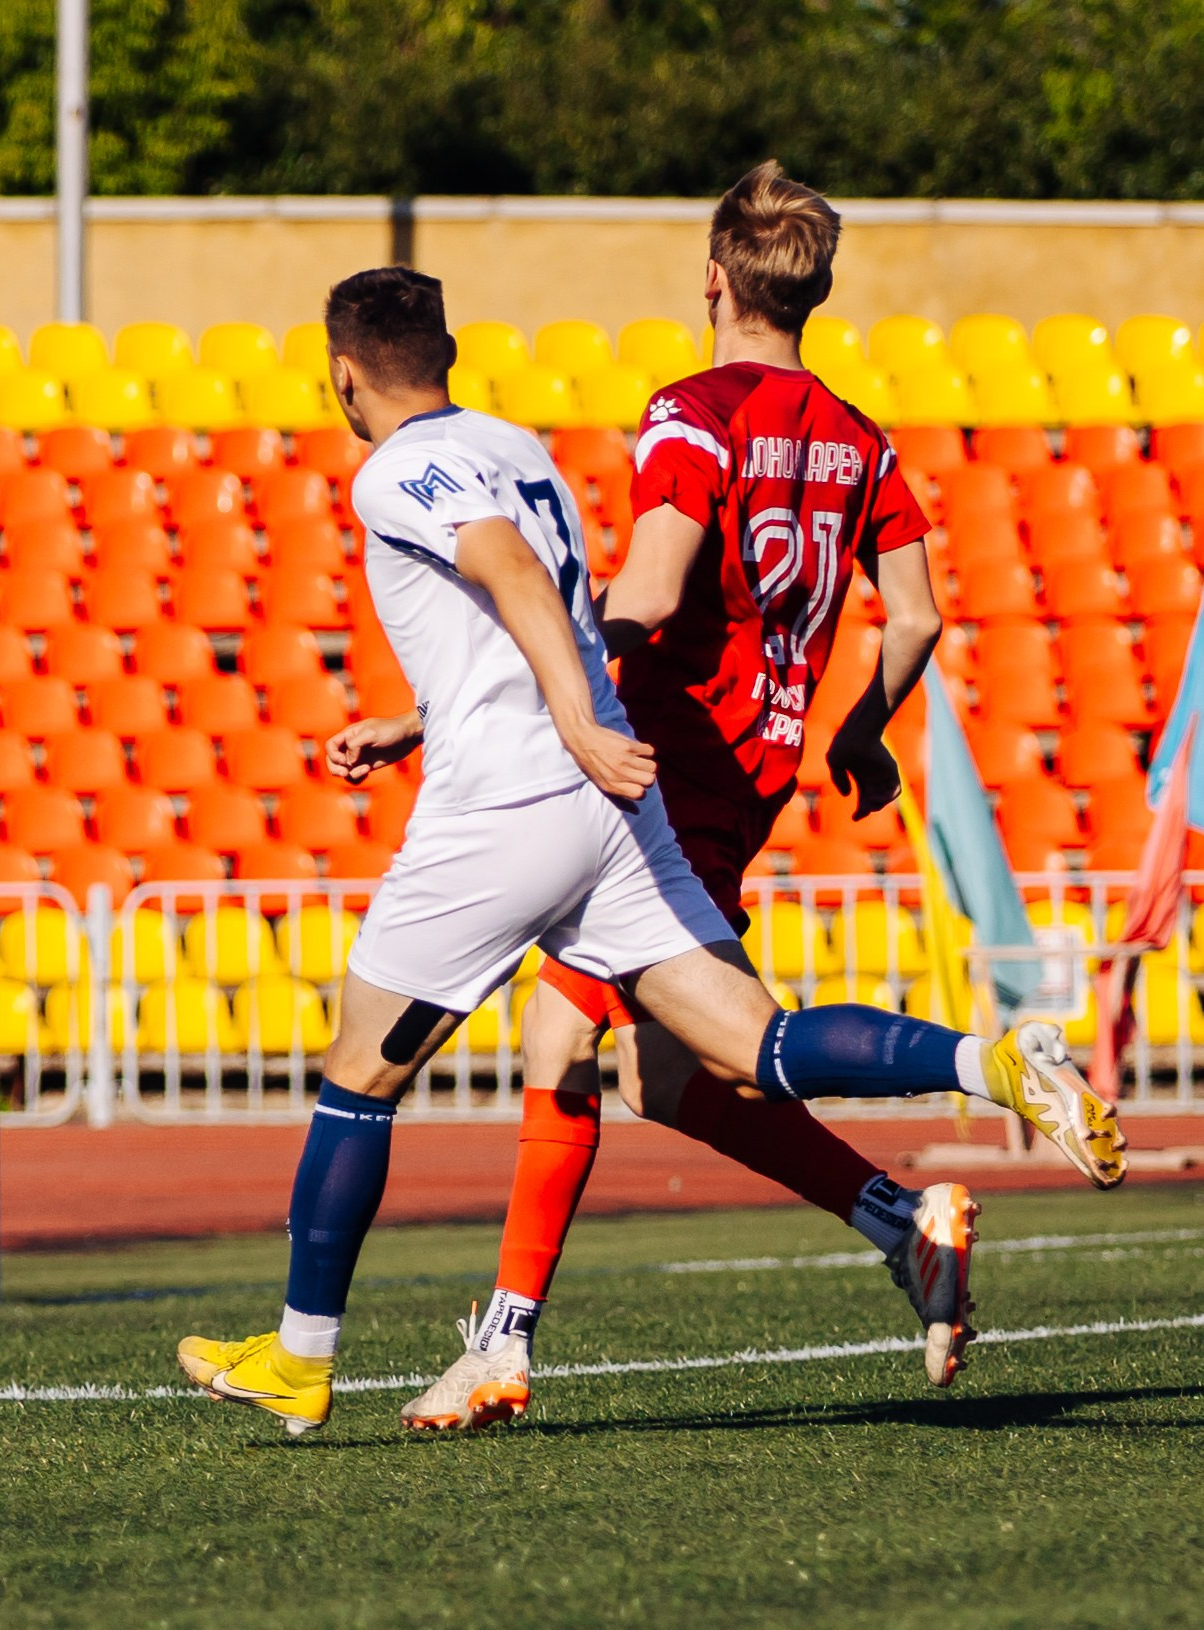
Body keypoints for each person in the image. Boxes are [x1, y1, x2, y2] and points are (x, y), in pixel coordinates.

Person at [174, 263, 1125, 1438]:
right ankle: (992, 1063)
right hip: (614, 804)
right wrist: (460, 718)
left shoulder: (392, 467)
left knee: (363, 1073)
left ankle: (305, 1357)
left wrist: (566, 716)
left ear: (343, 377)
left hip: (513, 805)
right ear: (455, 355)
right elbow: (561, 604)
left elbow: (515, 577)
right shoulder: (520, 447)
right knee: (740, 1045)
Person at [403, 160, 1037, 1432]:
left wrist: (541, 686)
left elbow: (643, 595)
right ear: (814, 291)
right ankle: (899, 1218)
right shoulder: (862, 438)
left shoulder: (693, 414)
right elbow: (913, 616)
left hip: (661, 763)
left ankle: (506, 1342)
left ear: (712, 279)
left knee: (574, 1041)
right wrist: (860, 729)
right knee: (653, 1073)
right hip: (759, 769)